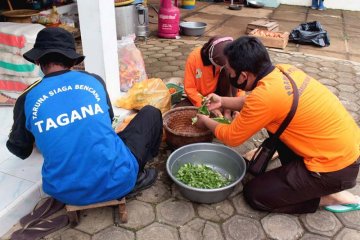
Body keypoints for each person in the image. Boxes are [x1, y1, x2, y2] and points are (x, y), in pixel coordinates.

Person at [194, 36, 360, 214]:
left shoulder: (265, 97)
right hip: (344, 151)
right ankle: (303, 181)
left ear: (243, 76)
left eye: (230, 71)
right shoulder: (284, 71)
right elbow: (254, 102)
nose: (228, 74)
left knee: (255, 194)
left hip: (335, 168)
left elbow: (231, 137)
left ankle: (331, 196)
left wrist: (205, 121)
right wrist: (223, 101)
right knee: (278, 127)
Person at [6, 27, 162, 206]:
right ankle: (137, 173)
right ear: (72, 61)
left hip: (65, 193)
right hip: (119, 180)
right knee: (150, 113)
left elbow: (19, 150)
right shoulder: (93, 80)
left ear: (38, 60)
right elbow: (109, 119)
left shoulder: (27, 98)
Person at [182, 35, 244, 119]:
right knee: (181, 111)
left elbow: (239, 87)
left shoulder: (231, 60)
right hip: (202, 97)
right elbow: (190, 88)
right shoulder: (194, 58)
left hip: (222, 94)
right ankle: (222, 108)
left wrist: (237, 108)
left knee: (228, 72)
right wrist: (205, 105)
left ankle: (228, 110)